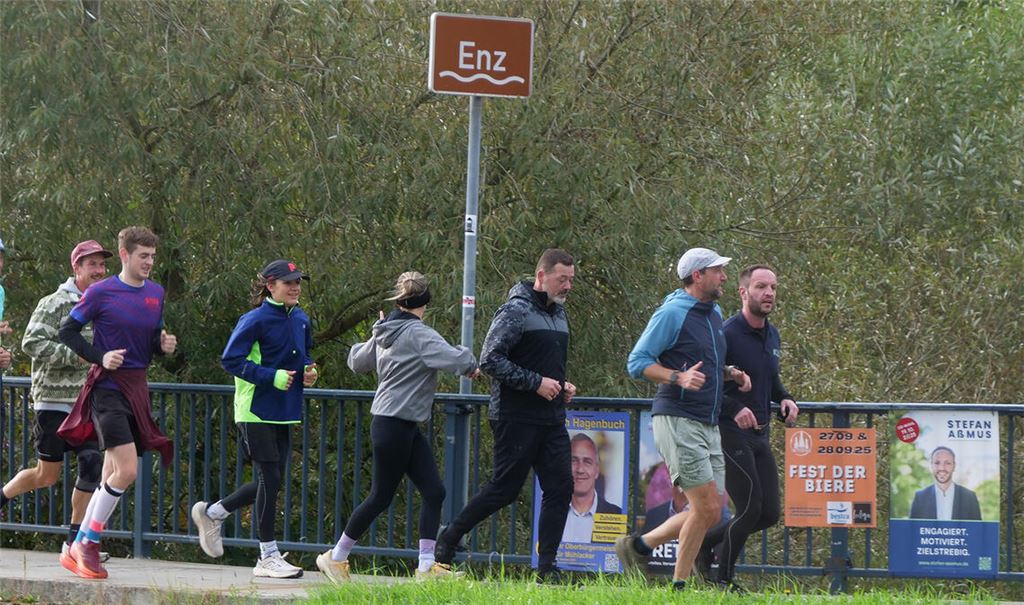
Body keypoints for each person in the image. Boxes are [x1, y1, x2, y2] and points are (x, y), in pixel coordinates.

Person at [315, 271, 480, 584]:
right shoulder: (418, 333)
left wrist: (377, 333)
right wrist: (472, 363)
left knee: (434, 491)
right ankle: (335, 558)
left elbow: (355, 361)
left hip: (399, 425)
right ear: (424, 304)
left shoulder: (385, 330)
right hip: (394, 425)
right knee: (380, 496)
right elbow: (453, 359)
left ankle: (426, 567)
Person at [435, 248, 577, 584]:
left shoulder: (558, 314)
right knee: (505, 489)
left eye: (571, 280)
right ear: (541, 276)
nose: (568, 286)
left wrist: (561, 385)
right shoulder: (515, 310)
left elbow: (545, 363)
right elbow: (490, 360)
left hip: (551, 418)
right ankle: (449, 538)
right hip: (515, 417)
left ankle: (547, 570)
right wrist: (535, 383)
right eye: (562, 279)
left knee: (561, 488)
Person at [619, 247, 750, 591]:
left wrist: (729, 372)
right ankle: (679, 588)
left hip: (707, 423)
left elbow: (702, 360)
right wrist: (677, 377)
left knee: (711, 511)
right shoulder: (672, 312)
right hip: (678, 418)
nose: (724, 277)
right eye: (717, 271)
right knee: (705, 507)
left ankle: (639, 546)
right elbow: (637, 362)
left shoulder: (714, 311)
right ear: (697, 276)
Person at [57, 226, 178, 580]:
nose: (149, 263)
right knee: (127, 471)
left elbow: (151, 337)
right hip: (107, 388)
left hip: (138, 388)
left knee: (111, 473)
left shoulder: (155, 293)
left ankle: (78, 543)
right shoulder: (101, 292)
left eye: (153, 257)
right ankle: (88, 544)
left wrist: (162, 344)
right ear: (125, 255)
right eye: (143, 256)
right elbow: (67, 332)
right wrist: (100, 356)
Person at [191, 259, 317, 578]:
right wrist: (269, 377)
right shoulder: (254, 319)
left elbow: (304, 354)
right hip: (255, 408)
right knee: (270, 479)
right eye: (288, 282)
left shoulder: (301, 318)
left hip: (285, 411)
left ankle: (214, 512)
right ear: (270, 286)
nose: (295, 287)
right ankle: (267, 556)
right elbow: (230, 360)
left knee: (270, 480)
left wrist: (309, 371)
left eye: (298, 281)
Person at [0, 241, 113, 564]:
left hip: (86, 402)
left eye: (102, 265)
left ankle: (74, 542)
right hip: (52, 399)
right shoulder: (54, 303)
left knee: (92, 464)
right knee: (46, 475)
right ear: (76, 268)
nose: (98, 271)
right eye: (91, 265)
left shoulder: (103, 304)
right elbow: (31, 342)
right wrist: (78, 356)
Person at [696, 264, 799, 590]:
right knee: (750, 506)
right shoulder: (726, 333)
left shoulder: (773, 334)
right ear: (743, 292)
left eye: (772, 287)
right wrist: (735, 406)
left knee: (768, 513)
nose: (768, 293)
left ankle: (703, 544)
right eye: (760, 287)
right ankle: (723, 581)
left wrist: (786, 399)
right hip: (729, 431)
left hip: (760, 434)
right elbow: (708, 384)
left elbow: (771, 380)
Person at [562, 433, 621, 543]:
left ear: (597, 470)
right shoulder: (550, 511)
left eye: (587, 462)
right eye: (574, 461)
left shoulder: (616, 515)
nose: (580, 470)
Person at [909, 446, 981, 521]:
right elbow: (912, 530)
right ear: (931, 465)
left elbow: (977, 530)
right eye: (937, 463)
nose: (942, 468)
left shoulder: (969, 497)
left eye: (947, 463)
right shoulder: (920, 498)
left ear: (954, 466)